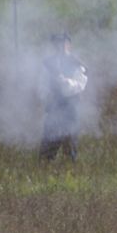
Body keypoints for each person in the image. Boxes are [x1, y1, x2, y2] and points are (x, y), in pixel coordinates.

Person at [39, 32, 87, 161]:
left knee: (70, 140)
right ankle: (46, 164)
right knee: (49, 141)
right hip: (54, 106)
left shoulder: (76, 63)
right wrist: (47, 96)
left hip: (71, 107)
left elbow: (79, 85)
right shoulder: (47, 63)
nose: (60, 46)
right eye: (57, 43)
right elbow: (42, 85)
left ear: (68, 44)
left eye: (63, 42)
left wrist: (64, 81)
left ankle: (70, 168)